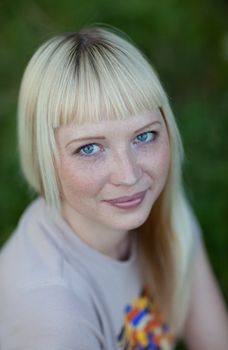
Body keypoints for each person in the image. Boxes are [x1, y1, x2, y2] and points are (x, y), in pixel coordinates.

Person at [0, 26, 227, 350]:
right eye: (90, 148)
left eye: (144, 136)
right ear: (44, 158)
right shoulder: (53, 323)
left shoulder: (160, 206)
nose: (129, 175)